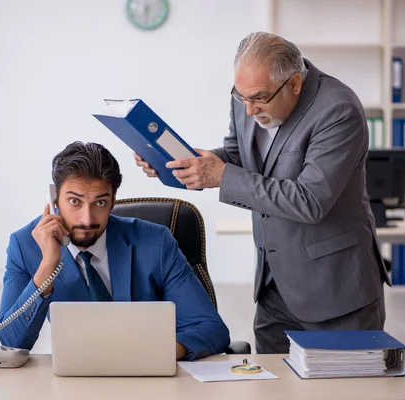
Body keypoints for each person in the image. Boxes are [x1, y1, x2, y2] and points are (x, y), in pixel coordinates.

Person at [134, 32, 389, 354]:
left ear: (294, 84)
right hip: (274, 286)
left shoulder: (338, 110)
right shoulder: (245, 97)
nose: (250, 110)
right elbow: (238, 156)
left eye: (259, 98)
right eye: (242, 97)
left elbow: (310, 201)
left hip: (335, 289)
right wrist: (184, 164)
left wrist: (221, 176)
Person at [0, 141, 230, 360]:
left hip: (148, 377)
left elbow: (211, 329)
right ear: (55, 199)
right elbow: (12, 342)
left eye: (99, 202)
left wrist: (156, 354)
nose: (86, 219)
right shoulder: (24, 245)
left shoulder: (156, 242)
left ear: (113, 201)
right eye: (75, 201)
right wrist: (48, 265)